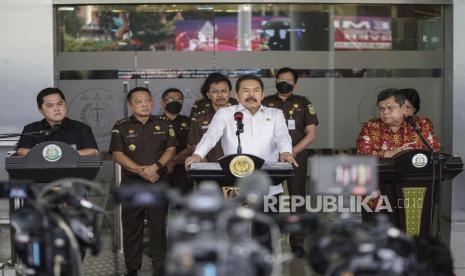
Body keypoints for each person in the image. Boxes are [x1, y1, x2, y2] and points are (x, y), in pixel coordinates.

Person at [109, 87, 176, 276]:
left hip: (158, 181)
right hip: (133, 183)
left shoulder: (164, 124)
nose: (145, 104)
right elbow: (117, 155)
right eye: (139, 101)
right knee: (132, 227)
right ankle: (132, 268)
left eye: (148, 101)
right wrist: (142, 171)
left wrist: (155, 167)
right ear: (130, 105)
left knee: (159, 226)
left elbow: (171, 150)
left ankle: (160, 267)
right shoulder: (120, 126)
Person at [186, 73, 297, 172]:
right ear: (237, 96)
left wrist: (286, 152)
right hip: (235, 178)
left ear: (263, 95)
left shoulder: (275, 114)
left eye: (256, 90)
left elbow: (283, 136)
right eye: (246, 91)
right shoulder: (225, 113)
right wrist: (197, 155)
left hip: (268, 178)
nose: (251, 95)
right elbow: (211, 135)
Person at [262, 67, 318, 257]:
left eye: (288, 79)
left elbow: (311, 134)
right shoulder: (266, 102)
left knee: (297, 198)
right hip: (270, 157)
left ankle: (297, 243)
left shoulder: (304, 103)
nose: (283, 81)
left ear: (295, 83)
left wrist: (292, 151)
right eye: (280, 78)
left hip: (297, 156)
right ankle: (270, 241)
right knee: (271, 198)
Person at [356, 88, 440, 158]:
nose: (385, 112)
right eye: (381, 109)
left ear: (403, 109)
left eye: (390, 108)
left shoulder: (421, 124)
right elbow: (361, 152)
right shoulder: (370, 126)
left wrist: (407, 153)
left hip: (414, 174)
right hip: (383, 175)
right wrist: (387, 154)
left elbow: (435, 149)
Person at [16, 87, 98, 156]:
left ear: (65, 105)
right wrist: (50, 156)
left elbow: (93, 151)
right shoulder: (31, 129)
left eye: (60, 104)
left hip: (73, 174)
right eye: (50, 105)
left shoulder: (82, 128)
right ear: (41, 110)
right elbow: (21, 151)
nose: (56, 109)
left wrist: (60, 155)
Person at [184, 72, 234, 162]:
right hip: (209, 167)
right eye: (215, 92)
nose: (220, 95)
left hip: (237, 167)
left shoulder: (240, 116)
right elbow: (193, 144)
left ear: (230, 93)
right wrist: (206, 167)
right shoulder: (199, 118)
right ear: (208, 95)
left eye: (224, 91)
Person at [158, 88, 194, 195]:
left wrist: (173, 161)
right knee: (159, 206)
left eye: (179, 99)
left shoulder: (189, 122)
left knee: (184, 206)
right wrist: (165, 162)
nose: (175, 102)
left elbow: (193, 146)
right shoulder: (155, 122)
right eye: (170, 99)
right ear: (163, 102)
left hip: (183, 169)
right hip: (160, 170)